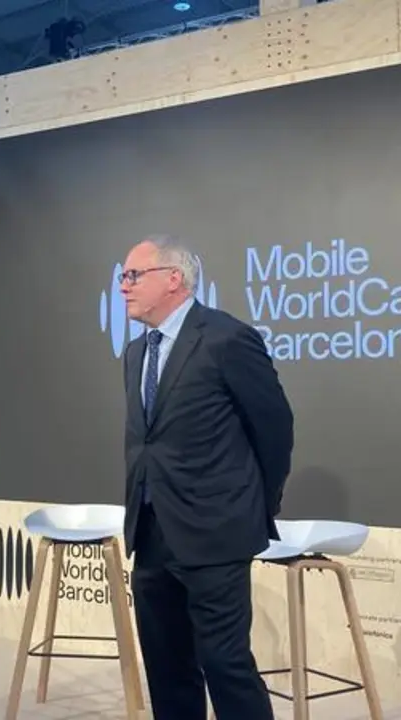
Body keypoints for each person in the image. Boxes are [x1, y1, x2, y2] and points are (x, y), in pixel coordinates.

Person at [118, 235, 294, 720]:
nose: (123, 286)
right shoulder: (135, 353)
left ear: (173, 279)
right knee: (167, 668)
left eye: (133, 276)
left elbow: (275, 429)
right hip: (151, 531)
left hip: (217, 533)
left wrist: (255, 508)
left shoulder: (226, 339)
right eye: (123, 277)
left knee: (225, 664)